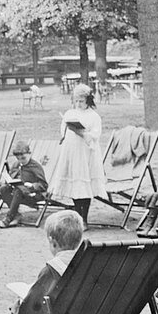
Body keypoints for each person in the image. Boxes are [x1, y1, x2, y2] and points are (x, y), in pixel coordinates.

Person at [46, 84, 105, 226]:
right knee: (75, 187)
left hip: (86, 154)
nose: (78, 104)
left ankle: (84, 219)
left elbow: (95, 135)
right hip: (72, 153)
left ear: (88, 101)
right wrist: (69, 129)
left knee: (84, 187)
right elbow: (63, 131)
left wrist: (83, 133)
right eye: (76, 101)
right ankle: (78, 217)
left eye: (81, 101)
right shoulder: (69, 113)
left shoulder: (93, 116)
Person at [0, 140, 49, 229]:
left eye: (23, 158)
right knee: (3, 188)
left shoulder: (35, 166)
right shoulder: (17, 164)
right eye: (18, 158)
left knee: (19, 190)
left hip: (33, 194)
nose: (21, 160)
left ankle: (9, 218)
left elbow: (44, 185)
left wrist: (32, 185)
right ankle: (16, 215)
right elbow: (11, 176)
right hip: (18, 192)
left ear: (29, 154)